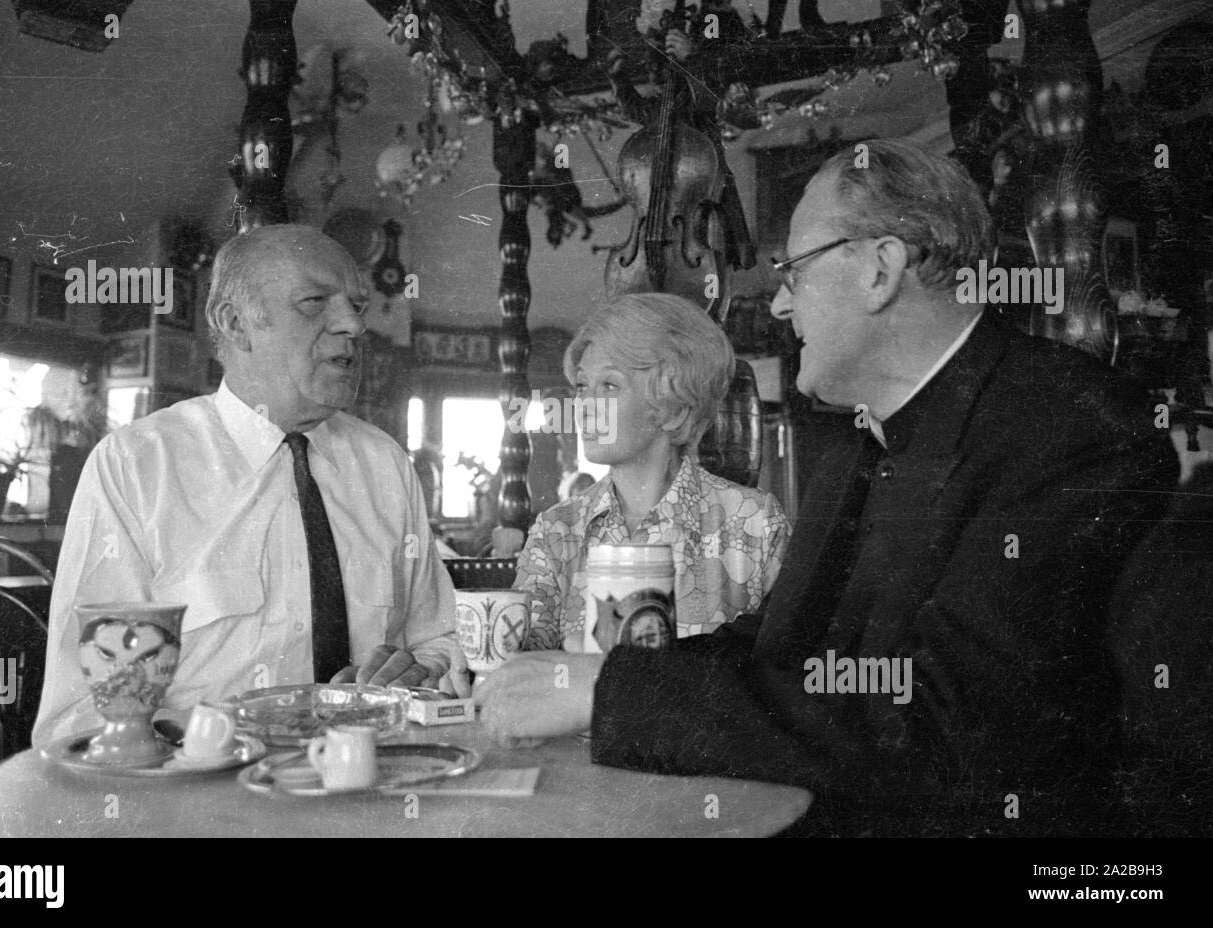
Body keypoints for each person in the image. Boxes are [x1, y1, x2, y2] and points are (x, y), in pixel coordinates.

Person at [479, 139, 1178, 836]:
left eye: (794, 271)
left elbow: (957, 732)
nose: (781, 304)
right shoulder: (857, 437)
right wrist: (584, 676)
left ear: (880, 270)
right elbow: (772, 649)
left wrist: (610, 690)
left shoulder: (1071, 430)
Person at [34, 225, 462, 745]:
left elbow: (439, 639)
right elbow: (80, 712)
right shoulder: (137, 467)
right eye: (313, 302)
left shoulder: (386, 465)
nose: (352, 324)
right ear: (235, 324)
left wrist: (415, 674)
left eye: (357, 305)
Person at [514, 292, 789, 650]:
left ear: (672, 406)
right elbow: (521, 667)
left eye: (609, 386)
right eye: (582, 386)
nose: (583, 406)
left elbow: (783, 674)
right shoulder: (556, 531)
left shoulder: (757, 526)